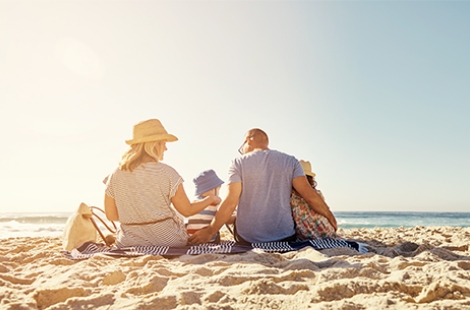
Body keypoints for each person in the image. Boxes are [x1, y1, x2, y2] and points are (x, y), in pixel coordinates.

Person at [189, 128, 337, 244]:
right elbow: (309, 195)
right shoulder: (291, 161)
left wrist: (210, 231)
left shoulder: (238, 163)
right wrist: (330, 216)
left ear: (248, 140)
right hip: (285, 237)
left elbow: (231, 200)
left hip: (247, 239)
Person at [104, 119, 221, 248]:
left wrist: (138, 215)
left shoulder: (115, 175)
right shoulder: (168, 173)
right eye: (164, 143)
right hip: (169, 241)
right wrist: (210, 199)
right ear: (155, 144)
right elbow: (187, 211)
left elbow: (111, 215)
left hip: (129, 242)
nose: (166, 148)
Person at [291, 160, 338, 240]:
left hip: (304, 234)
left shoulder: (291, 196)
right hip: (325, 232)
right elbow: (325, 209)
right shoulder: (317, 194)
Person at [186, 169, 224, 243]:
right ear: (213, 189)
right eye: (219, 189)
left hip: (192, 240)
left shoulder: (193, 203)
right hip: (209, 241)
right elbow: (229, 218)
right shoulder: (215, 204)